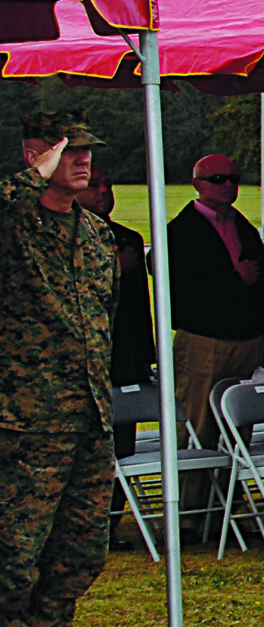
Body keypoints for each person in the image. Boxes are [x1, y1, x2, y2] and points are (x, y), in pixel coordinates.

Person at [0, 112, 121, 627]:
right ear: (33, 156)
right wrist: (29, 180)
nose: (82, 161)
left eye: (87, 152)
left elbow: (107, 320)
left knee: (80, 547)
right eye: (67, 152)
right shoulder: (14, 222)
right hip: (25, 419)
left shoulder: (96, 237)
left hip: (88, 415)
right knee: (15, 549)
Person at [167, 152, 264, 448]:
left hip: (247, 342)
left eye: (233, 179)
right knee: (198, 429)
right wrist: (235, 279)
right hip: (204, 343)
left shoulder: (243, 228)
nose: (227, 185)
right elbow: (182, 293)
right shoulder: (179, 233)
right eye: (217, 179)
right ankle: (195, 495)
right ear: (196, 184)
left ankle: (232, 493)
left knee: (238, 432)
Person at [77, 182, 152, 458]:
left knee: (123, 445)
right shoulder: (63, 239)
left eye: (107, 185)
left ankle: (119, 500)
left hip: (123, 356)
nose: (104, 191)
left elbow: (140, 304)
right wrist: (112, 271)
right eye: (93, 186)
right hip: (82, 360)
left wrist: (145, 354)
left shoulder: (127, 239)